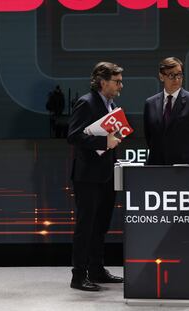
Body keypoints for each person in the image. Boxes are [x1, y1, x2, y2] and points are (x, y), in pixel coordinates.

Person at [67, 62, 124, 291]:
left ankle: (97, 269)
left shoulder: (111, 104)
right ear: (103, 82)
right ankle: (78, 275)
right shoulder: (86, 102)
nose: (121, 85)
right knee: (86, 226)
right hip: (88, 176)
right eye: (117, 81)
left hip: (106, 174)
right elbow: (73, 136)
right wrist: (104, 141)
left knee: (101, 225)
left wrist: (115, 139)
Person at [144, 57, 189, 165]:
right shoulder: (150, 103)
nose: (177, 79)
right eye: (171, 75)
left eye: (179, 74)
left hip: (185, 167)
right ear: (161, 76)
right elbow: (149, 137)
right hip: (157, 166)